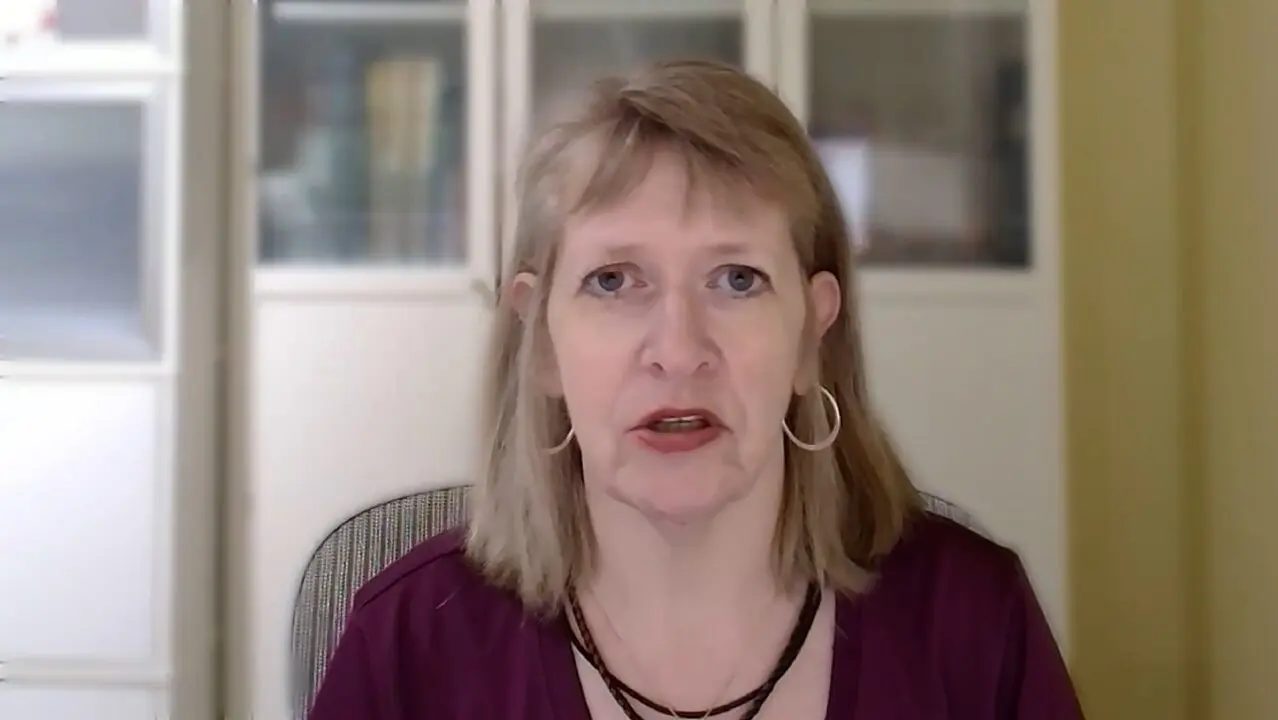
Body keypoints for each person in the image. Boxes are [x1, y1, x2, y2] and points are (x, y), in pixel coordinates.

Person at [308, 59, 1083, 719]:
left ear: (813, 335)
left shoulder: (975, 626)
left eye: (736, 279)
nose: (678, 350)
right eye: (614, 281)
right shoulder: (407, 644)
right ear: (539, 340)